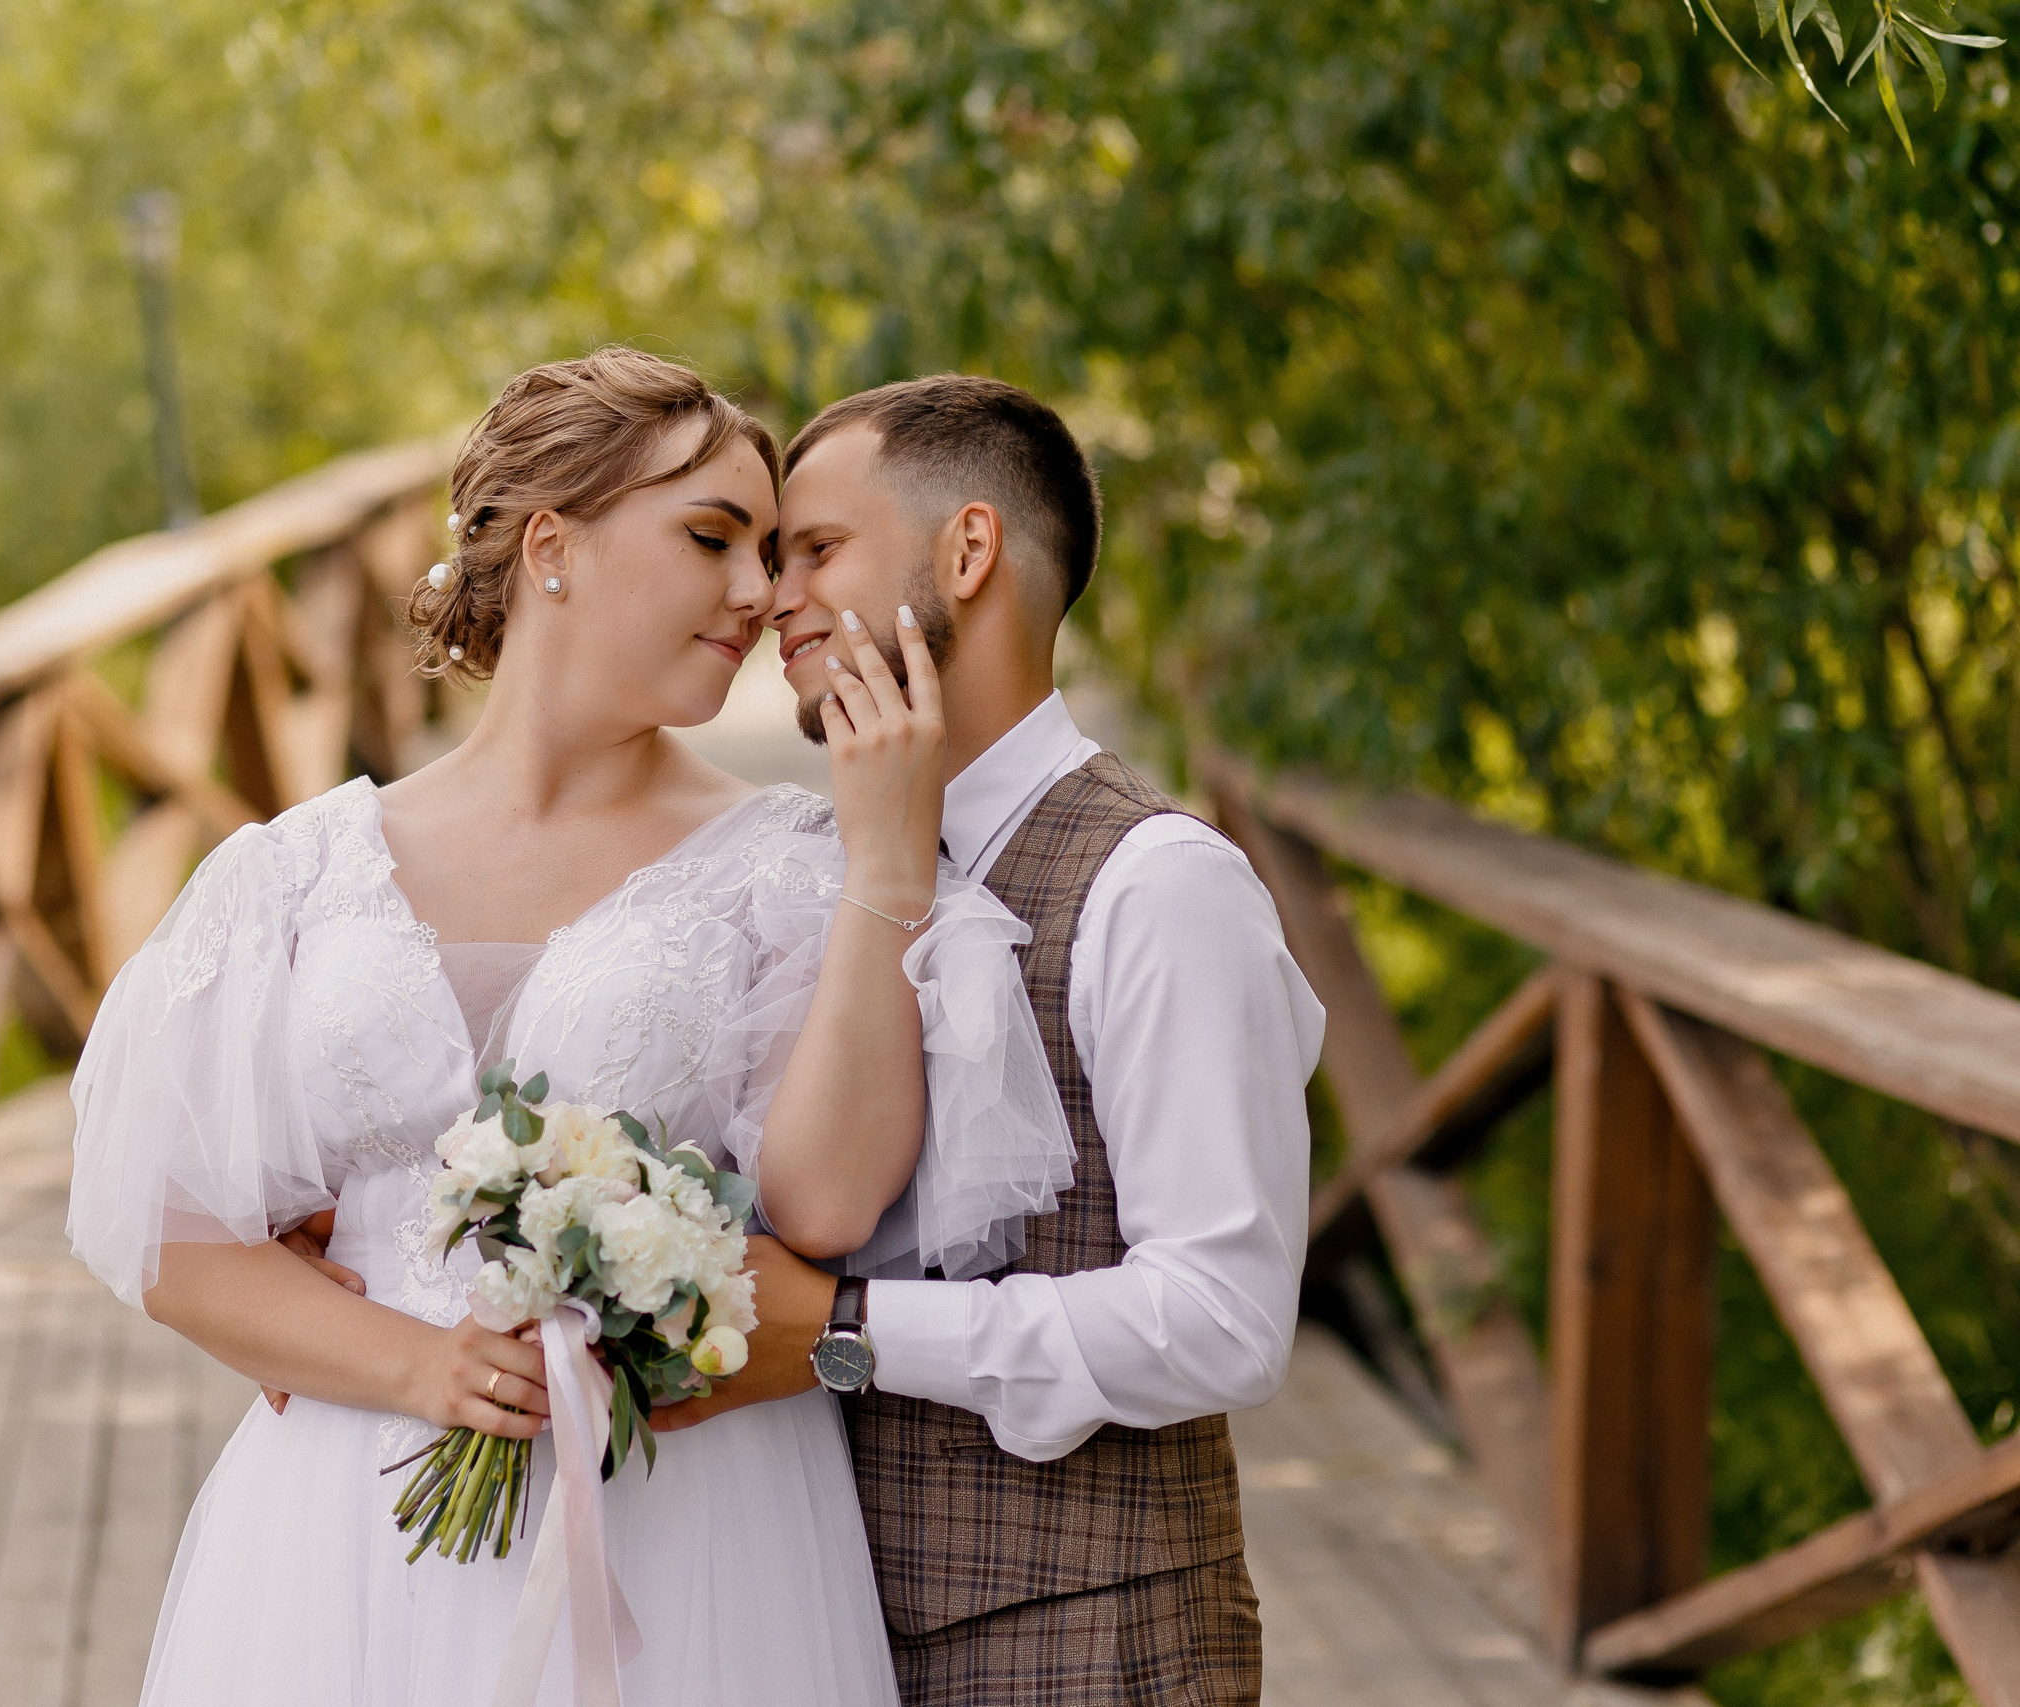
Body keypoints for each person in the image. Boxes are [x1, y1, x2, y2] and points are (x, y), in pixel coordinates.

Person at [64, 348, 1076, 1706]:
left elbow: (826, 1206)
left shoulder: (794, 865)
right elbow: (174, 1237)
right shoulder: (294, 873)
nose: (759, 593)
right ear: (551, 547)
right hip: (344, 1530)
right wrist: (420, 1366)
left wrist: (889, 867)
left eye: (773, 550)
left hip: (687, 1526)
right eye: (712, 537)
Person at [651, 375, 1326, 1707]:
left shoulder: (1158, 885)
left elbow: (1224, 1320)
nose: (775, 598)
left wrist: (847, 1331)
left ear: (968, 551)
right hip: (813, 1627)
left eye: (816, 549)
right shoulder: (814, 869)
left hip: (1087, 1652)